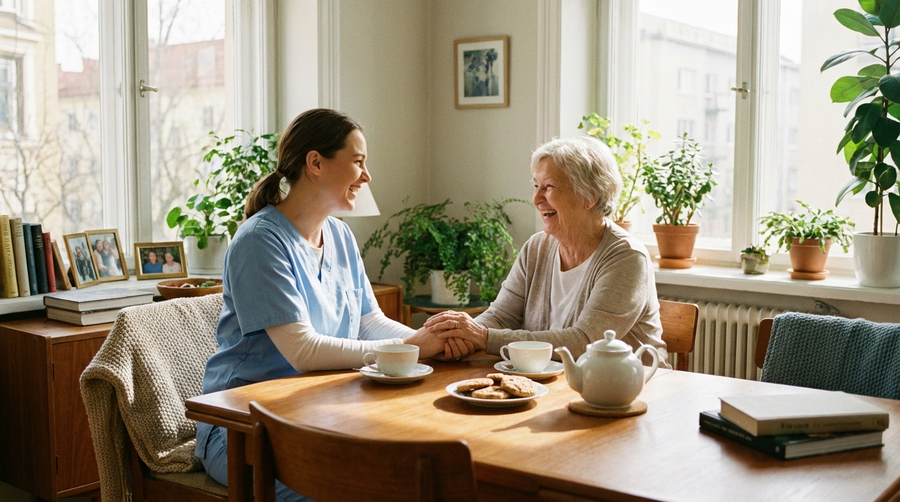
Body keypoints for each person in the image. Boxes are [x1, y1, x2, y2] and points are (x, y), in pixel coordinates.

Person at [195, 108, 472, 502]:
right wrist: (412, 348)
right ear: (315, 163)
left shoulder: (340, 235)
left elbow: (369, 321)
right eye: (358, 161)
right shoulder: (259, 242)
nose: (367, 175)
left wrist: (428, 337)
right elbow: (303, 350)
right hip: (246, 429)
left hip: (319, 414)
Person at [424, 135, 668, 367]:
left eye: (549, 186)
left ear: (590, 196)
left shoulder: (626, 257)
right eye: (536, 185)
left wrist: (483, 337)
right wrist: (461, 337)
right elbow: (499, 317)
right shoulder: (536, 248)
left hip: (628, 394)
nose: (536, 198)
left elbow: (585, 343)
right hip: (553, 385)